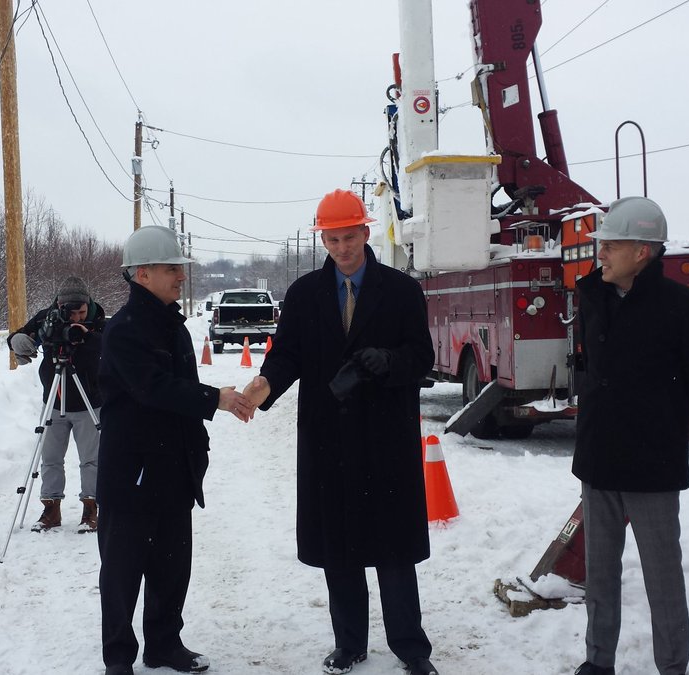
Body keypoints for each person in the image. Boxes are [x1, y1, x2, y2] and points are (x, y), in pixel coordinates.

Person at [242, 189, 439, 675]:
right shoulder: (305, 294)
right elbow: (288, 354)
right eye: (332, 240)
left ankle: (411, 649)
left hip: (385, 438)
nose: (342, 248)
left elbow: (422, 359)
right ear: (322, 239)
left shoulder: (400, 290)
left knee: (393, 550)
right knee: (340, 547)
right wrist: (267, 382)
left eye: (349, 237)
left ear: (366, 233)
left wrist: (390, 361)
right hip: (328, 438)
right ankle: (349, 642)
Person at [570, 197, 689, 675]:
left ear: (643, 252)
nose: (601, 254)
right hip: (598, 457)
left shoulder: (686, 309)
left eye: (610, 245)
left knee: (662, 576)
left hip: (653, 463)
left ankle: (672, 667)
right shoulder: (590, 295)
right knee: (600, 574)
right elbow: (589, 367)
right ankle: (598, 661)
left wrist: (659, 420)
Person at [97, 226, 254, 675]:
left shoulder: (172, 324)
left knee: (170, 567)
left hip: (173, 470)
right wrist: (215, 399)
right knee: (123, 573)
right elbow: (153, 388)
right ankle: (118, 658)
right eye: (172, 269)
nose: (180, 277)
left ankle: (164, 644)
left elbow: (176, 386)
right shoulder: (124, 330)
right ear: (142, 274)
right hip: (133, 476)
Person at [8, 276, 106, 533]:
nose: (76, 319)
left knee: (92, 459)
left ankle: (91, 508)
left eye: (81, 312)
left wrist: (88, 337)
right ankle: (51, 509)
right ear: (60, 306)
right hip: (54, 397)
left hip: (89, 402)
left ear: (88, 305)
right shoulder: (47, 318)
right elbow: (19, 336)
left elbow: (114, 348)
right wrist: (18, 342)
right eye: (71, 314)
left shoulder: (99, 320)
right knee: (50, 458)